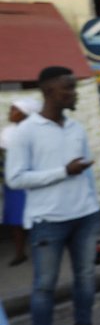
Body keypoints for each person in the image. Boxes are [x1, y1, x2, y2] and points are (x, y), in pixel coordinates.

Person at [5, 67, 100, 325]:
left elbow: (86, 174)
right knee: (44, 288)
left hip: (84, 216)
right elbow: (15, 178)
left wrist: (95, 215)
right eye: (68, 89)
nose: (74, 93)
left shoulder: (76, 128)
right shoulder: (25, 132)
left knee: (84, 280)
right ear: (49, 91)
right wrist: (61, 172)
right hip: (47, 222)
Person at [2, 97, 41, 266]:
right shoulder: (6, 131)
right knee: (14, 219)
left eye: (14, 109)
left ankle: (42, 249)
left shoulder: (35, 130)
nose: (10, 113)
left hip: (31, 178)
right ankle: (20, 253)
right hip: (12, 180)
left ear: (25, 113)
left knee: (35, 217)